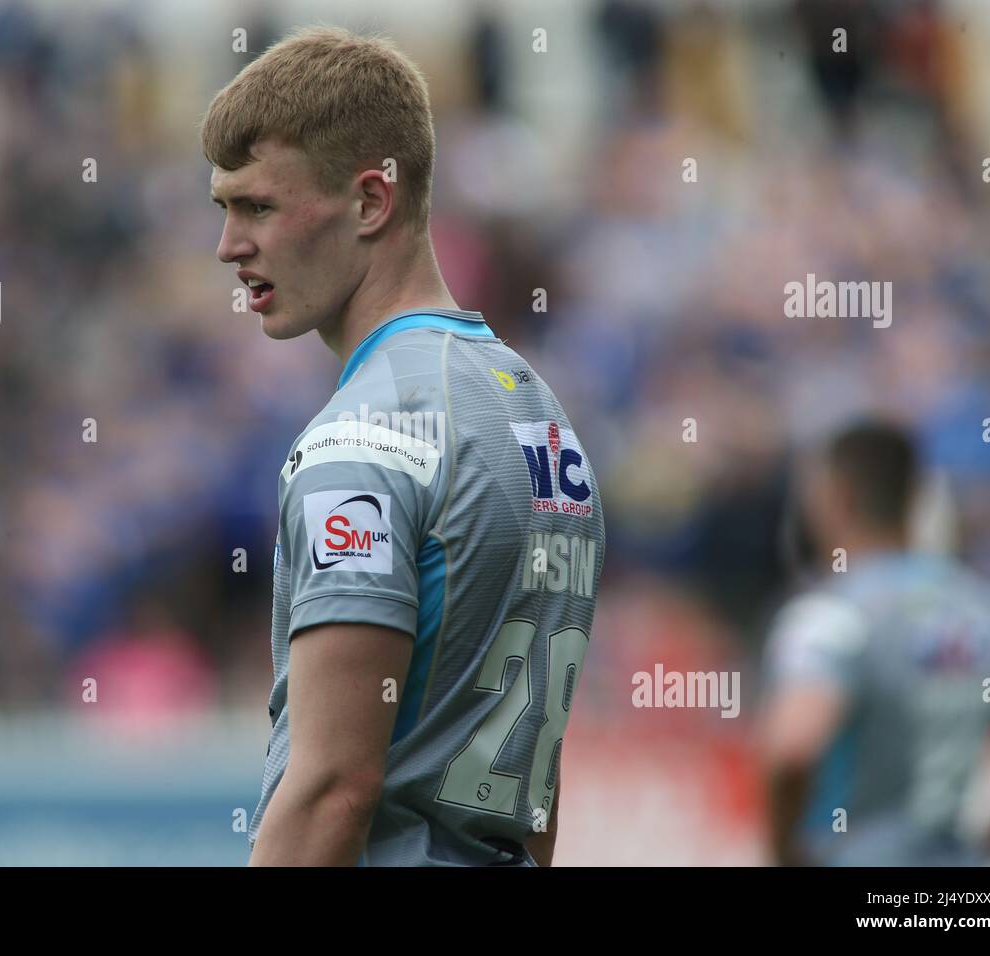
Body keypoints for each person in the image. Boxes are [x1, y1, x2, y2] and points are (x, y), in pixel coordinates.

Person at [201, 25, 605, 865]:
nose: (230, 245)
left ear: (372, 201)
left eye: (259, 206)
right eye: (224, 207)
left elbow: (330, 790)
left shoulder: (363, 439)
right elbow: (536, 795)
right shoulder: (542, 419)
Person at [763, 420, 990, 865]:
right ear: (916, 501)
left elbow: (794, 747)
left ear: (836, 497)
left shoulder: (832, 618)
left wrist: (783, 854)